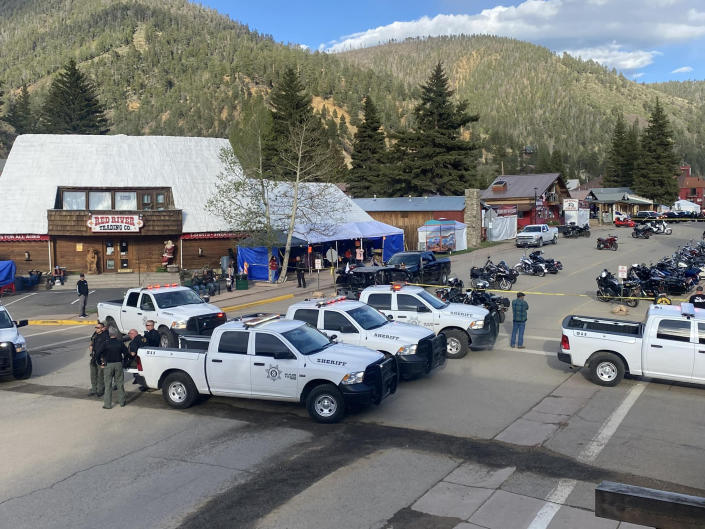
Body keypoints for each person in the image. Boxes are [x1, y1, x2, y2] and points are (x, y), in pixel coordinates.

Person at [97, 328, 127, 409]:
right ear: (116, 334)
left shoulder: (105, 343)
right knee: (120, 383)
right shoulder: (120, 343)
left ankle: (107, 404)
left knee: (108, 385)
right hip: (118, 364)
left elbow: (98, 353)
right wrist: (124, 362)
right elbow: (126, 353)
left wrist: (100, 363)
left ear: (109, 334)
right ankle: (122, 402)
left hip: (108, 365)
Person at [88, 322, 108, 397]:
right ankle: (94, 389)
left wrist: (104, 359)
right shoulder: (95, 334)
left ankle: (100, 390)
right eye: (96, 327)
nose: (96, 329)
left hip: (101, 358)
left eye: (98, 328)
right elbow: (91, 340)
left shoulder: (105, 335)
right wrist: (90, 346)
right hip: (94, 357)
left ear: (103, 328)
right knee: (93, 374)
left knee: (100, 375)